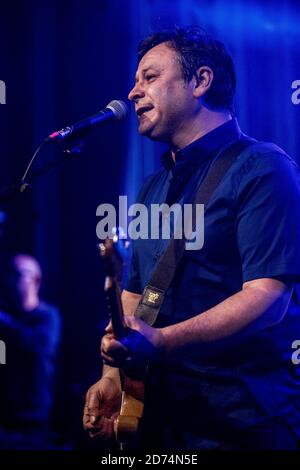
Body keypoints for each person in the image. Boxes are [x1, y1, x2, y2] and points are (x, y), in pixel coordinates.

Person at [83, 26, 300, 450]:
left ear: (201, 81)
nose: (132, 92)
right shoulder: (150, 188)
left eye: (148, 77)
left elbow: (268, 299)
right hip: (160, 420)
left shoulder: (264, 168)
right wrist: (113, 375)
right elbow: (133, 296)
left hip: (239, 422)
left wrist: (162, 342)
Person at [0, 253, 61, 449]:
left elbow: (37, 348)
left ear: (36, 280)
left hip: (33, 416)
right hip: (4, 415)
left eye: (18, 274)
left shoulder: (48, 317)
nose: (12, 281)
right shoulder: (6, 318)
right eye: (9, 274)